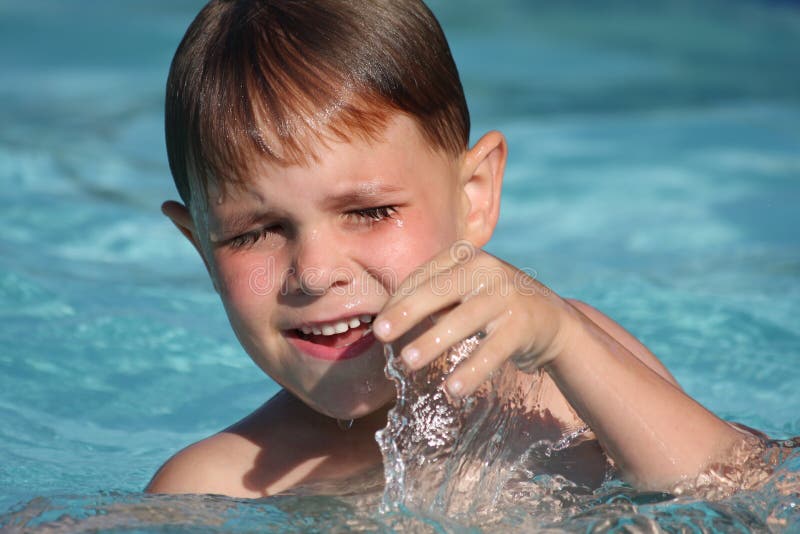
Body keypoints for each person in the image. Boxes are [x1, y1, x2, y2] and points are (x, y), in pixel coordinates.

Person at [145, 0, 758, 498]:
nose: (315, 272)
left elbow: (745, 493)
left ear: (474, 196)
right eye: (255, 233)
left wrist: (567, 341)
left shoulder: (567, 371)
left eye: (369, 212)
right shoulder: (217, 488)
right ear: (200, 249)